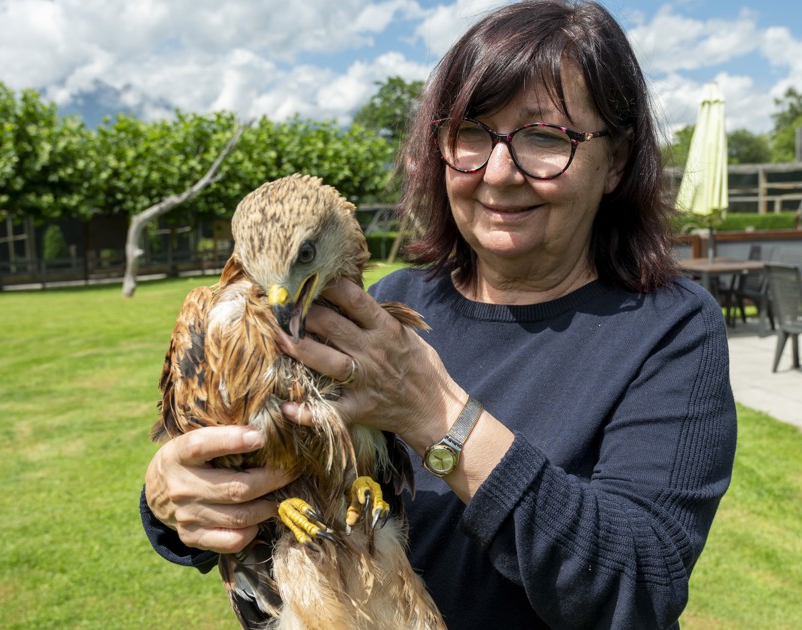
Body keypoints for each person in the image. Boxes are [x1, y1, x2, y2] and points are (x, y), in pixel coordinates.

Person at [141, 1, 737, 628]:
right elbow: (268, 475)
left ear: (615, 161)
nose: (498, 174)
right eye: (470, 134)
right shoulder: (380, 305)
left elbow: (639, 585)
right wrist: (169, 500)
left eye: (544, 137)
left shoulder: (670, 328)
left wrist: (435, 414)